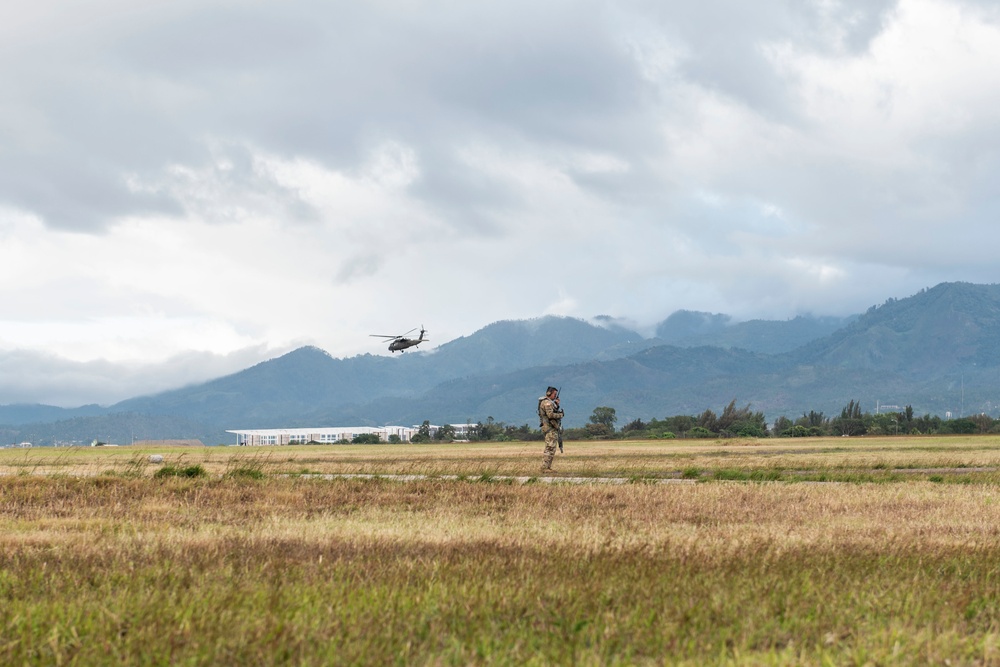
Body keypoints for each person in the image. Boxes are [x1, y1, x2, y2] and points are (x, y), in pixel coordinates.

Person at [538, 386, 563, 472]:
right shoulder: (547, 403)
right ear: (549, 393)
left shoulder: (547, 402)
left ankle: (547, 467)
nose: (555, 396)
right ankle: (545, 467)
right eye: (554, 394)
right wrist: (561, 415)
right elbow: (550, 415)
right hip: (549, 428)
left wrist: (556, 405)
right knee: (550, 448)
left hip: (548, 428)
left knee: (552, 448)